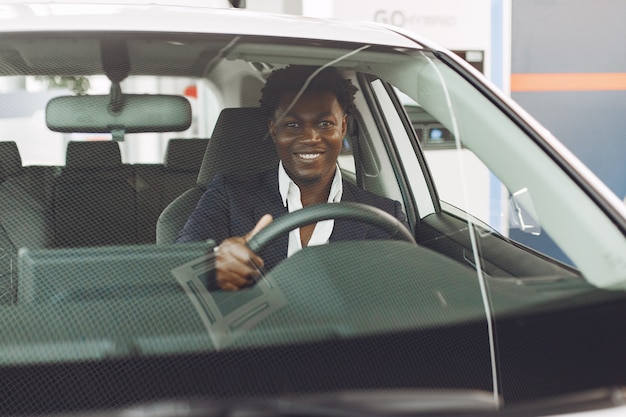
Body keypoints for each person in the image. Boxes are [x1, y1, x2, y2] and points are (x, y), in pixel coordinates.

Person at [176, 65, 409, 291]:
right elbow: (179, 262)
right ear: (274, 129)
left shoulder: (384, 215)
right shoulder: (229, 195)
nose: (310, 137)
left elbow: (405, 298)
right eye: (293, 124)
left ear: (343, 126)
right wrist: (214, 263)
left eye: (325, 123)